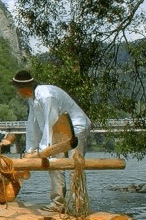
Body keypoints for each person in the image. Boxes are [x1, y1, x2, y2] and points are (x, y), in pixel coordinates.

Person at [11, 69, 91, 212]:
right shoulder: (32, 99)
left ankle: (77, 205)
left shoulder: (46, 95)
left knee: (74, 164)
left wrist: (45, 148)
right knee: (55, 164)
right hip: (59, 131)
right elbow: (33, 124)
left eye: (17, 88)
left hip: (76, 127)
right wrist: (30, 149)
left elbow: (50, 120)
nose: (17, 92)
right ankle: (58, 203)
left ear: (24, 88)